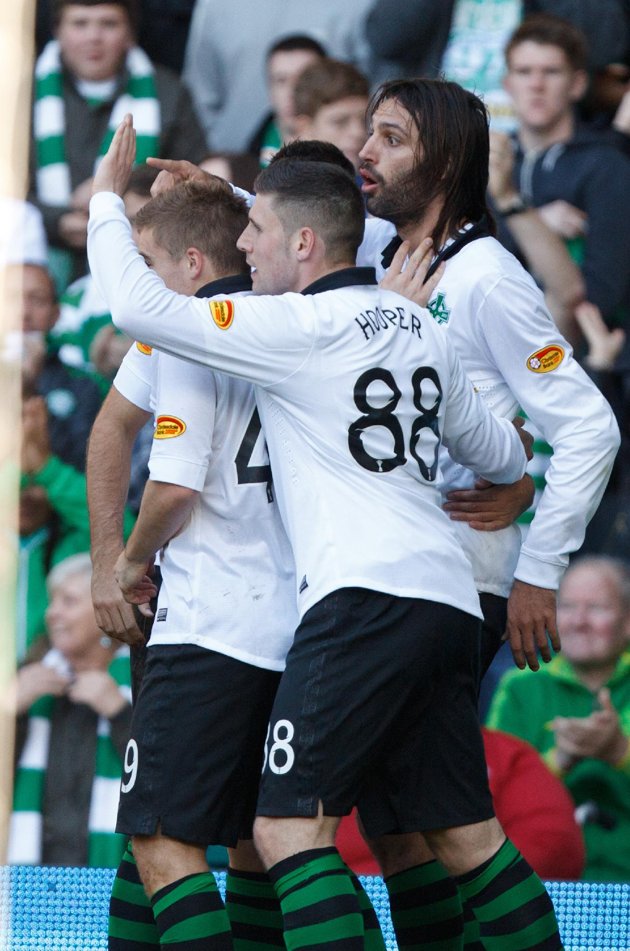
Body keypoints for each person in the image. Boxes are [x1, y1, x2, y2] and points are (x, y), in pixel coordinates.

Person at [88, 115, 565, 950]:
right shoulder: (420, 324)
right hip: (448, 602)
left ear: (302, 243)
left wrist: (101, 200)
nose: (247, 241)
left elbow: (141, 307)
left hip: (350, 603)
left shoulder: (290, 329)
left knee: (276, 837)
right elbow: (497, 446)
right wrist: (519, 485)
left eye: (259, 229)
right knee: (458, 839)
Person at [91, 180, 298, 950]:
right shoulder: (300, 321)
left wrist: (127, 561)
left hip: (208, 622)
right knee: (256, 843)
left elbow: (173, 484)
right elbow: (113, 430)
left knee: (157, 838)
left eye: (147, 262)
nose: (140, 280)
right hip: (294, 624)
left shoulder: (184, 335)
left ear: (189, 262)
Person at [29, 0, 208, 290]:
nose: (93, 37)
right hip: (36, 261)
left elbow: (194, 185)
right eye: (80, 23)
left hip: (140, 260)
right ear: (57, 31)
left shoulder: (169, 94)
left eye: (108, 23)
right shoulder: (18, 91)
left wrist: (119, 195)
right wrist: (57, 221)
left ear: (130, 33)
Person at [487, 555, 630, 882]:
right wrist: (559, 759)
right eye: (567, 607)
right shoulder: (520, 685)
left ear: (627, 620)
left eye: (597, 608)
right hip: (537, 885)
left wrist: (620, 752)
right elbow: (489, 796)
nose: (579, 621)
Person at [9, 552, 132, 868]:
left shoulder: (140, 679)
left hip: (113, 873)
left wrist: (120, 713)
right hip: (35, 875)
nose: (51, 613)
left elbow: (163, 782)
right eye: (52, 602)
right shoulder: (25, 678)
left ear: (104, 608)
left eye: (68, 601)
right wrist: (10, 713)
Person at [182, 0, 373, 152]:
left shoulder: (358, 6)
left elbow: (377, 88)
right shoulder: (215, 5)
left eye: (306, 77)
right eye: (281, 80)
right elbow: (200, 95)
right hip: (235, 159)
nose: (293, 92)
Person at [247, 35, 327, 168]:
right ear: (269, 90)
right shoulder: (247, 161)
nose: (292, 92)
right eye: (281, 80)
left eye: (304, 79)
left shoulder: (356, 152)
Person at [292, 58, 370, 173]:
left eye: (365, 122)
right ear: (304, 128)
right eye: (340, 122)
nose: (358, 133)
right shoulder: (281, 189)